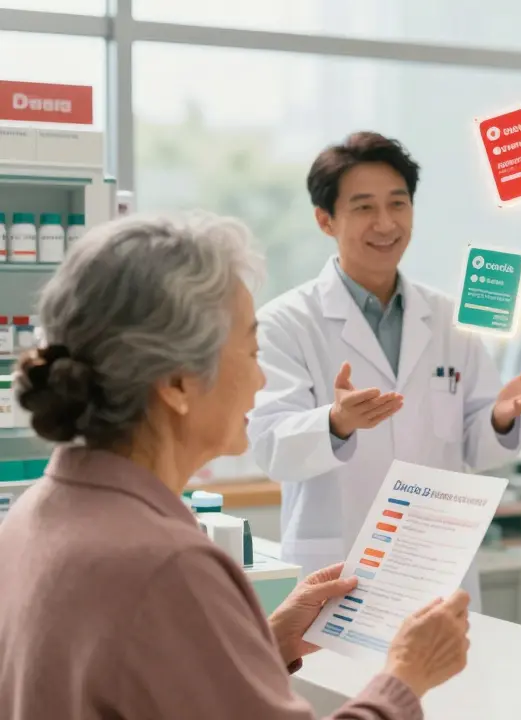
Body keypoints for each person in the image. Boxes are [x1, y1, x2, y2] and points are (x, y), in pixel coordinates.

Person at [0, 213, 472, 719]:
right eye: (250, 349)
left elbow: (140, 684)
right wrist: (406, 675)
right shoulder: (168, 566)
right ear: (177, 384)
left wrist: (266, 641)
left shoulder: (32, 516)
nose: (259, 377)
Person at [248, 132, 521, 605]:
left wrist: (498, 418)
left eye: (398, 204)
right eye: (364, 207)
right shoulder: (285, 323)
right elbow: (271, 447)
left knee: (443, 677)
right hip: (339, 564)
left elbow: (475, 449)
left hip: (436, 564)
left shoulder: (450, 321)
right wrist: (335, 423)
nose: (386, 223)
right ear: (325, 220)